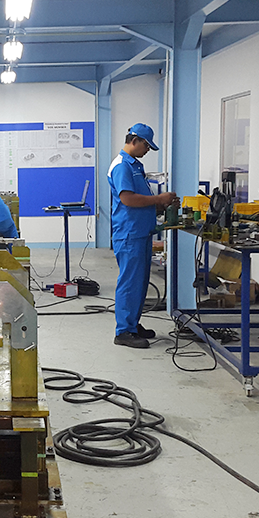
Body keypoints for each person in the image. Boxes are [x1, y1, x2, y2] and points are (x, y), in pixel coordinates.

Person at [108, 123, 178, 349]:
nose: (147, 150)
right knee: (129, 282)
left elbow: (139, 201)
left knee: (139, 282)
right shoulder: (122, 166)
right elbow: (127, 199)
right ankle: (123, 332)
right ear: (134, 140)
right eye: (146, 145)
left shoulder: (135, 166)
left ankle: (132, 325)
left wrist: (161, 205)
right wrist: (158, 199)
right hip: (129, 234)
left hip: (141, 232)